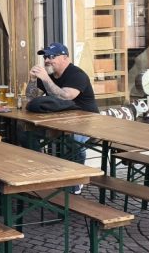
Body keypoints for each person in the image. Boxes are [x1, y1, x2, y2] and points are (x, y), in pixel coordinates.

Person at [29, 42, 99, 192]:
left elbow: (66, 96)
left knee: (73, 139)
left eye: (52, 56)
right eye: (46, 56)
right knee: (26, 132)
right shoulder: (48, 76)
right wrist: (33, 80)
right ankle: (40, 170)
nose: (47, 60)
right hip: (61, 119)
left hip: (88, 120)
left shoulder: (76, 75)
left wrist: (45, 79)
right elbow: (30, 97)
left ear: (65, 58)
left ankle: (76, 180)